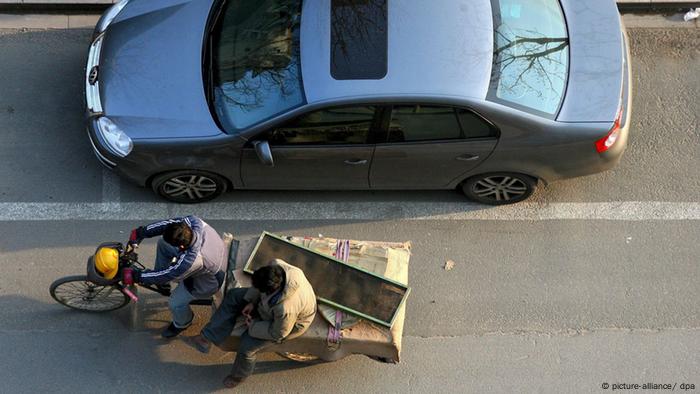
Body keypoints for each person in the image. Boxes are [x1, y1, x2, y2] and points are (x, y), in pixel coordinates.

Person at [189, 259, 316, 389]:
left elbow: (278, 333)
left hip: (290, 324)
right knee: (233, 296)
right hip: (270, 306)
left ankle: (239, 375)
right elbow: (257, 288)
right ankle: (209, 336)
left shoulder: (286, 308)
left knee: (246, 347)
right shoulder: (275, 267)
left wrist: (253, 325)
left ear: (269, 291)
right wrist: (251, 301)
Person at [128, 215, 227, 338]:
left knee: (175, 302)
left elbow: (168, 274)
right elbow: (168, 224)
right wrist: (141, 233)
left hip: (208, 282)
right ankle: (162, 285)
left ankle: (183, 323)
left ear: (181, 247)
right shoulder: (194, 222)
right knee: (163, 243)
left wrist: (137, 276)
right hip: (216, 254)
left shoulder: (191, 260)